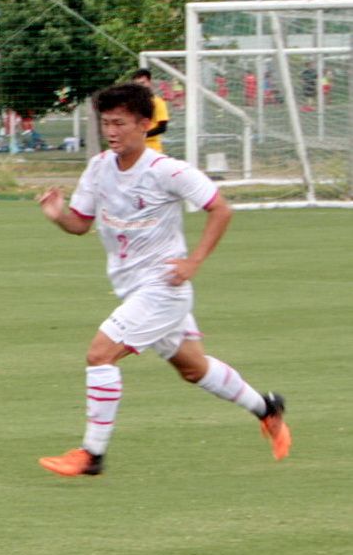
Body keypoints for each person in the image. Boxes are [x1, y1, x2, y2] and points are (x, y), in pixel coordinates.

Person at [33, 82, 289, 477]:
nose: (112, 131)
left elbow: (221, 209)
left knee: (100, 354)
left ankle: (91, 455)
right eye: (106, 123)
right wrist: (57, 214)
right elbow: (80, 224)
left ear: (145, 124)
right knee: (194, 369)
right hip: (132, 287)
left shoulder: (167, 171)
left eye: (120, 123)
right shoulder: (99, 167)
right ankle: (267, 409)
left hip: (164, 288)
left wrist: (194, 262)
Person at [131, 68, 172, 152]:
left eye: (143, 83)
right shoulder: (131, 104)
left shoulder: (158, 102)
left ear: (149, 82)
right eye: (137, 84)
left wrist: (142, 135)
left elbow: (162, 127)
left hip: (152, 149)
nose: (140, 86)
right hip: (134, 148)